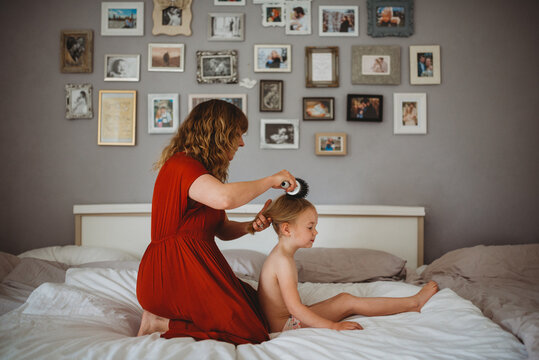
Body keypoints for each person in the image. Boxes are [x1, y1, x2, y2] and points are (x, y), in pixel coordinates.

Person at [136, 99, 299, 345]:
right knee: (249, 332)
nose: (242, 142)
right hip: (172, 270)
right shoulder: (181, 165)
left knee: (257, 311)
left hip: (196, 264)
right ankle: (160, 322)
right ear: (217, 133)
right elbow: (225, 198)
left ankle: (169, 318)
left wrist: (249, 225)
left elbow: (220, 229)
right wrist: (271, 180)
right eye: (237, 134)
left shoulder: (202, 175)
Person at [257, 195, 439, 333]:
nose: (316, 232)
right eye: (310, 227)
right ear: (287, 229)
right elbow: (295, 308)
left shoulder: (280, 255)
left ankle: (411, 302)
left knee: (344, 299)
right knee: (347, 302)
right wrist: (333, 326)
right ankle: (414, 303)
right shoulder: (283, 262)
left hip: (283, 322)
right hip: (285, 326)